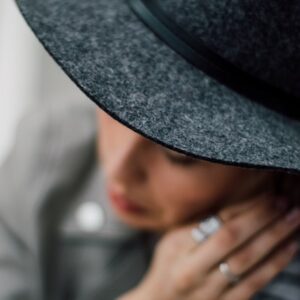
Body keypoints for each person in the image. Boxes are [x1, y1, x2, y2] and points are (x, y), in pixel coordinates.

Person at [1, 0, 299, 299]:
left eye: (177, 155)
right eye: (113, 107)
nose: (117, 170)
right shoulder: (47, 152)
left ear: (272, 168)